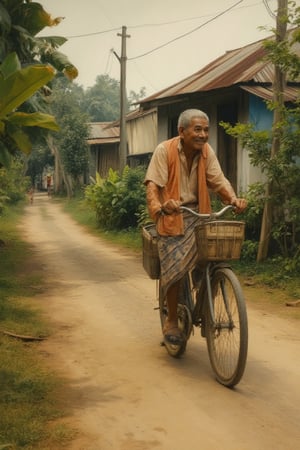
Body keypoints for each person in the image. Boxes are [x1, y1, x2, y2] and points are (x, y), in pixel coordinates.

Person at [145, 109, 247, 346]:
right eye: (197, 129)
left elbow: (218, 179)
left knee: (213, 256)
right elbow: (152, 185)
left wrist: (233, 199)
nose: (203, 135)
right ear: (182, 131)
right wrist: (160, 206)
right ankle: (171, 319)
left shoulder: (206, 153)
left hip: (199, 213)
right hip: (173, 216)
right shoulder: (165, 150)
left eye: (206, 130)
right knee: (175, 266)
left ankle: (206, 294)